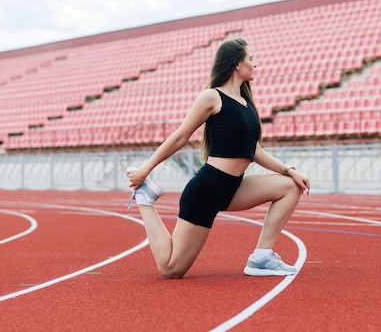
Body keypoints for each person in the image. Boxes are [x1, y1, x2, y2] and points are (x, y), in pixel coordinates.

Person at [126, 37, 310, 279]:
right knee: (172, 269)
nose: (256, 64)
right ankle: (145, 198)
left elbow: (254, 151)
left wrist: (289, 170)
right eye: (251, 59)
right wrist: (145, 170)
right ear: (236, 64)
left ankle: (261, 257)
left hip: (234, 186)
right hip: (207, 189)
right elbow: (181, 136)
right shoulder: (212, 97)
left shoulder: (247, 104)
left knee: (289, 186)